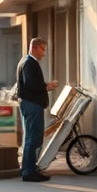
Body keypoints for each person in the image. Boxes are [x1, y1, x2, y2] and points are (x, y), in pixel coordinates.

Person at [16, 37, 59, 182]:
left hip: (30, 103)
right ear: (35, 47)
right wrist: (46, 85)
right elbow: (30, 84)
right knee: (33, 138)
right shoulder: (29, 62)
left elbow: (30, 84)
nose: (44, 54)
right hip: (32, 105)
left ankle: (29, 168)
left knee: (30, 137)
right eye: (43, 49)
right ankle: (29, 171)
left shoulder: (25, 61)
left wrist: (45, 86)